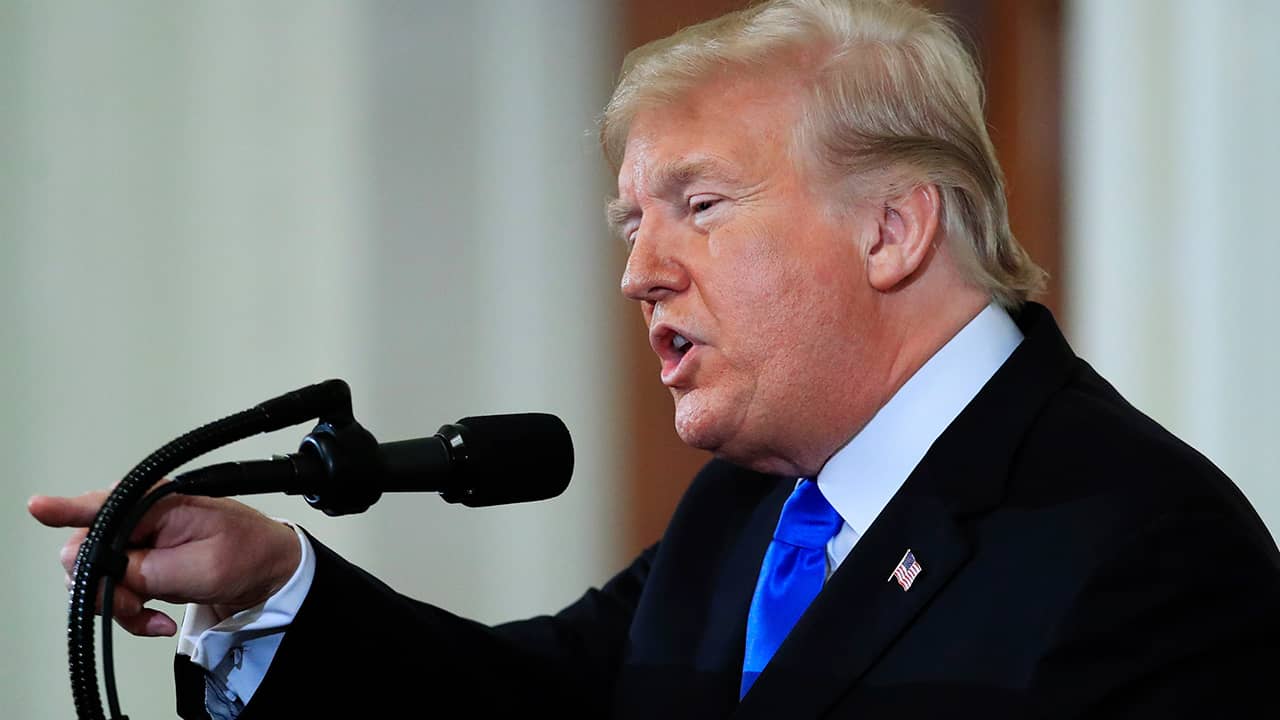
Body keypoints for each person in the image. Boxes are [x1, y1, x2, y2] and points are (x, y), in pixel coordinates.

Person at [30, 0, 1280, 717]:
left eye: (699, 205)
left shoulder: (1144, 549)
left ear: (891, 229)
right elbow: (541, 708)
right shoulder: (751, 508)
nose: (638, 271)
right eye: (633, 222)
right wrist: (274, 586)